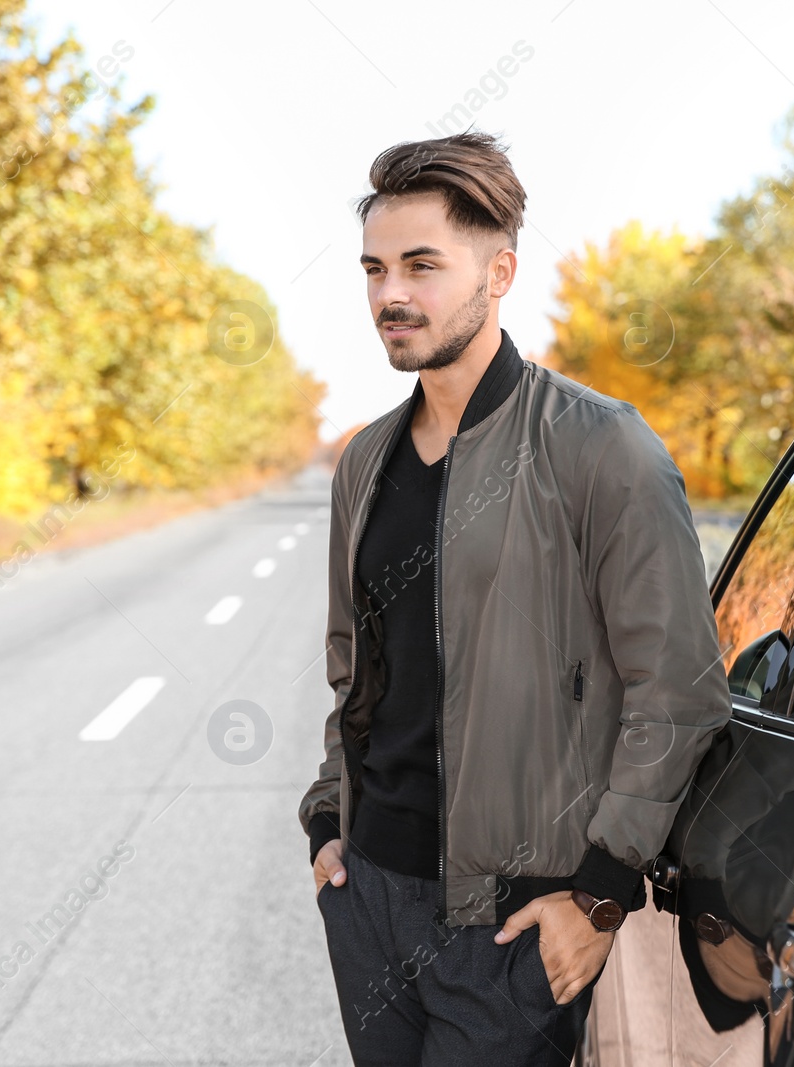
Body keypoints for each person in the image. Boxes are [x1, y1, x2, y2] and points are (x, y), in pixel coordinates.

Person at [297, 130, 731, 1064]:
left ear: (500, 274)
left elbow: (681, 689)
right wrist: (330, 823)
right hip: (369, 895)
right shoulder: (364, 462)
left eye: (422, 265)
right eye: (374, 269)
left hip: (511, 926)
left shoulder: (599, 448)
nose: (391, 296)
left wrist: (602, 894)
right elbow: (353, 665)